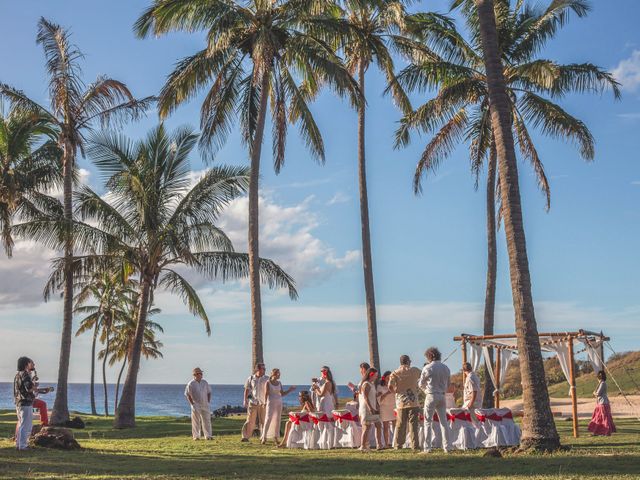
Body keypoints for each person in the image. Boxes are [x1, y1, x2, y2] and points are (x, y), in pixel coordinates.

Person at [419, 347, 452, 453]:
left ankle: (427, 448)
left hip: (431, 395)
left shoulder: (427, 368)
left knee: (428, 422)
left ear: (430, 356)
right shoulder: (446, 368)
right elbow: (448, 384)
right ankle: (447, 447)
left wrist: (425, 390)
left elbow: (420, 384)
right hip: (442, 396)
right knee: (444, 422)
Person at [388, 355, 421, 450]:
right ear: (408, 361)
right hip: (413, 401)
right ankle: (415, 445)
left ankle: (398, 445)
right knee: (413, 424)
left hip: (401, 402)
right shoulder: (415, 370)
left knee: (400, 424)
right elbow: (423, 375)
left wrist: (395, 392)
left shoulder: (395, 373)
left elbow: (390, 386)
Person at [261, 368, 295, 444]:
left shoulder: (279, 383)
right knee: (268, 418)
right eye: (278, 373)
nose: (279, 375)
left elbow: (282, 394)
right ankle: (264, 437)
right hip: (271, 402)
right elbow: (266, 394)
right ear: (273, 374)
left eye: (279, 373)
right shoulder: (268, 382)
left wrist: (290, 390)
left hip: (279, 402)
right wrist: (264, 402)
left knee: (277, 420)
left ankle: (276, 437)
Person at [242, 363, 268, 442]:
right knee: (250, 420)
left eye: (264, 369)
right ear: (258, 369)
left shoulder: (267, 378)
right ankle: (245, 437)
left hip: (263, 403)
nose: (264, 370)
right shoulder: (251, 378)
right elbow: (246, 390)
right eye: (263, 369)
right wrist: (245, 400)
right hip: (253, 402)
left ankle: (263, 437)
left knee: (263, 421)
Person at [14, 356, 36, 451]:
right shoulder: (25, 375)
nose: (31, 364)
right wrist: (34, 386)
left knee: (22, 424)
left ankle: (19, 444)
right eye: (30, 363)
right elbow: (29, 388)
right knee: (26, 425)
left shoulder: (17, 375)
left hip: (19, 403)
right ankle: (23, 446)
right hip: (25, 403)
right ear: (26, 364)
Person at [185, 367, 212, 440]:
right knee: (196, 421)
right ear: (195, 374)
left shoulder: (205, 382)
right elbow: (187, 394)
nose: (201, 374)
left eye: (201, 373)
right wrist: (192, 404)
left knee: (207, 420)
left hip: (205, 404)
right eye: (199, 373)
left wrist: (208, 402)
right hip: (196, 404)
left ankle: (208, 436)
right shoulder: (191, 384)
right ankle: (196, 436)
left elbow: (209, 392)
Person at [359, 367, 383, 451]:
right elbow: (365, 397)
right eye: (375, 375)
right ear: (371, 375)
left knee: (378, 424)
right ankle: (362, 446)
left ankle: (379, 444)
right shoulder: (366, 384)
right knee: (367, 427)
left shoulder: (371, 384)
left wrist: (377, 403)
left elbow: (371, 396)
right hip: (367, 408)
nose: (376, 377)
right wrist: (370, 408)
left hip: (373, 407)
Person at [588, 370, 617, 436]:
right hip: (601, 403)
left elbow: (598, 394)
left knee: (603, 418)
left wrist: (594, 393)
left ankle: (606, 431)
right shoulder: (602, 383)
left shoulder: (603, 383)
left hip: (603, 403)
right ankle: (597, 432)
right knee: (599, 418)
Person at [377, 370, 395, 448]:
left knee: (395, 426)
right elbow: (379, 399)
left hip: (393, 406)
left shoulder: (393, 385)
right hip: (384, 407)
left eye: (390, 378)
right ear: (384, 378)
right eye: (388, 378)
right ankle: (386, 444)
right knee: (385, 426)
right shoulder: (380, 387)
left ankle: (395, 442)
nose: (389, 379)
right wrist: (387, 392)